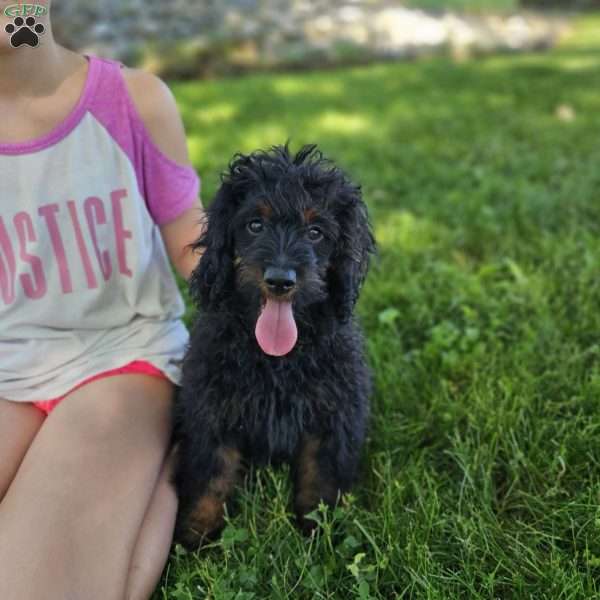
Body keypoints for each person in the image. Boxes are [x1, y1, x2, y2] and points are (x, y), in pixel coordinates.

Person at [0, 1, 206, 598]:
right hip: (12, 373)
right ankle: (163, 479)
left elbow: (193, 246)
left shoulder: (133, 101)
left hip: (124, 359)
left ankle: (154, 458)